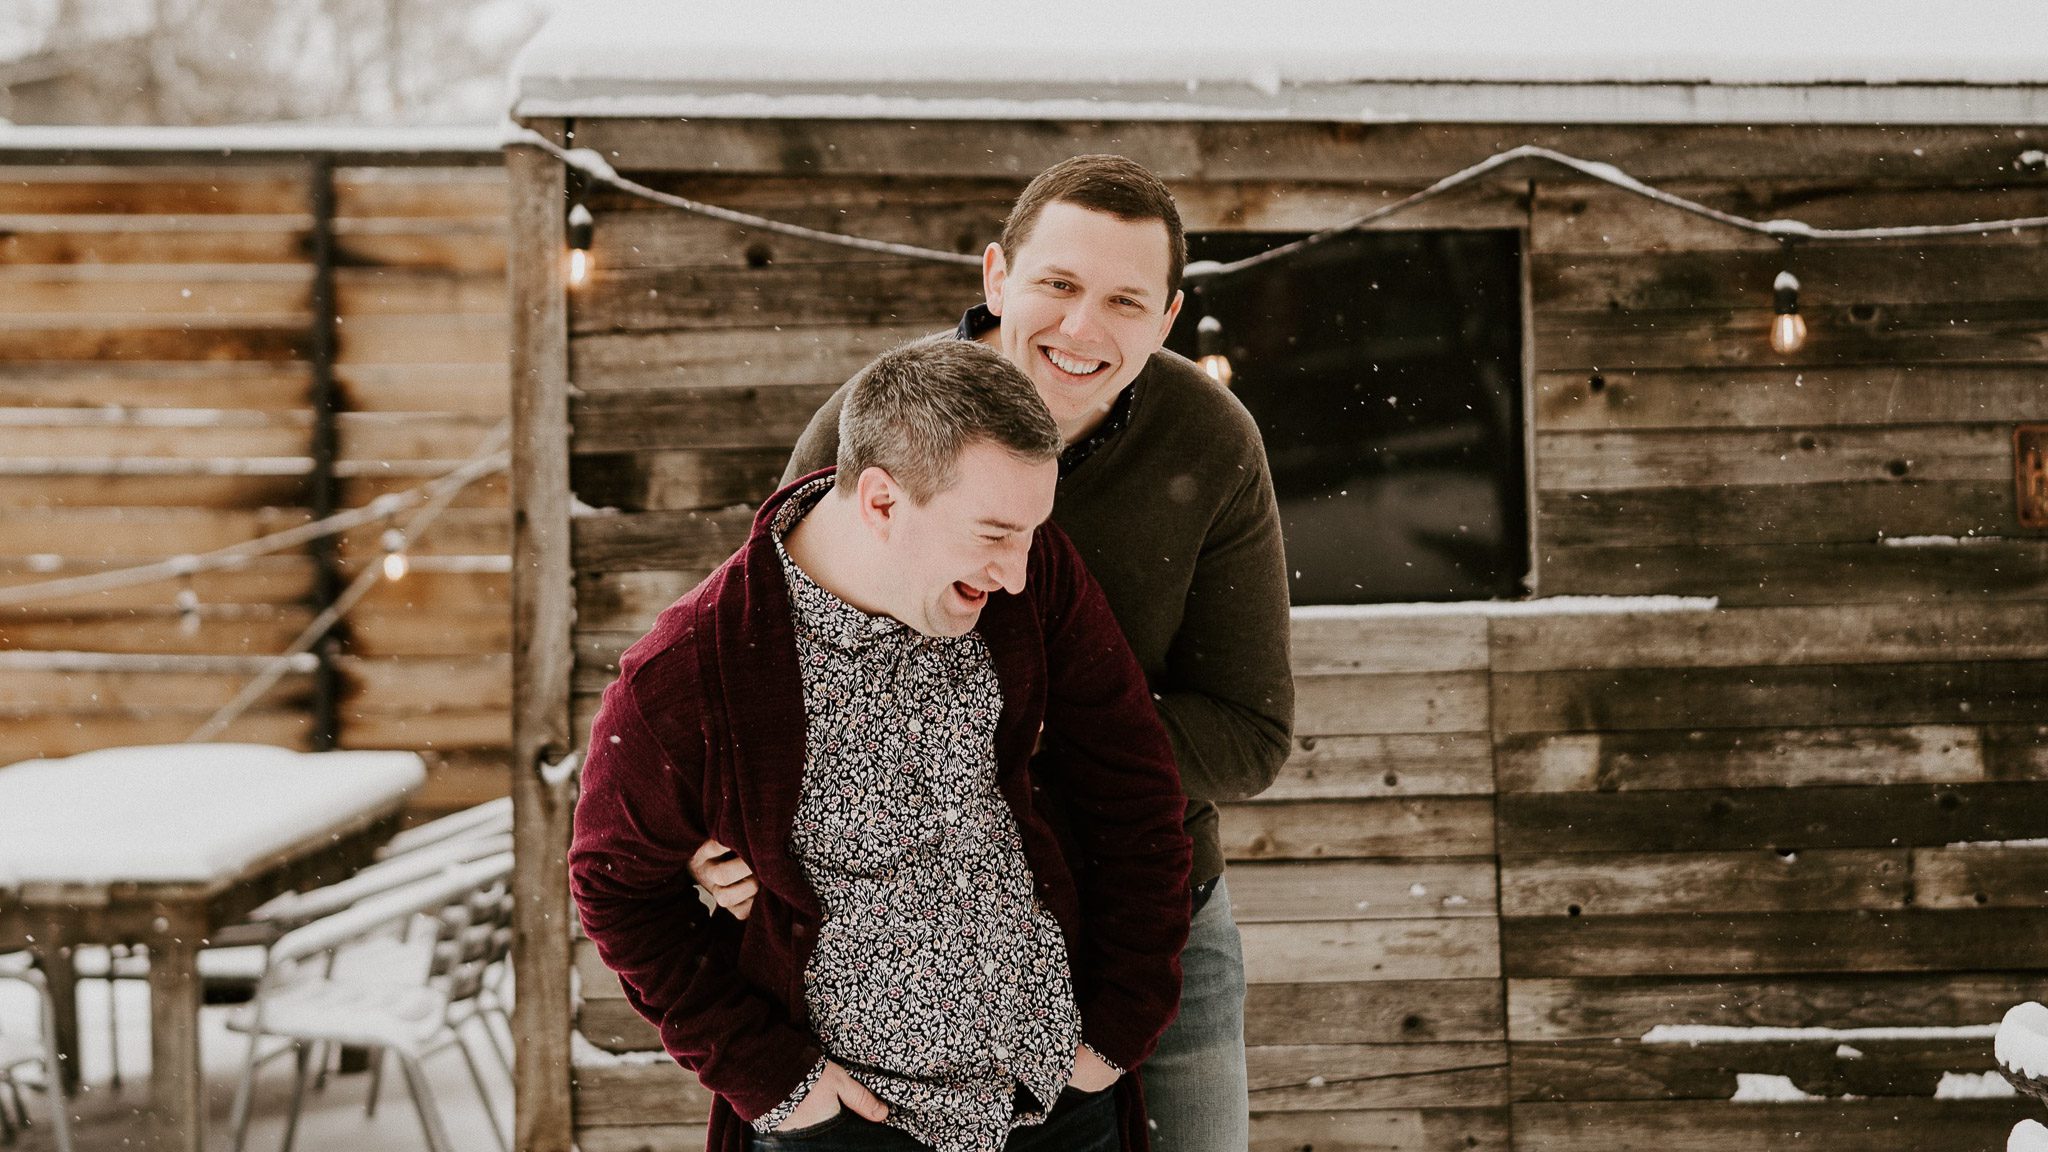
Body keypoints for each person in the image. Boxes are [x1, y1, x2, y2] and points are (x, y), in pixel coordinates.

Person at [692, 154, 1295, 1152]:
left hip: (1143, 923)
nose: (1080, 328)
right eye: (1056, 284)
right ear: (994, 278)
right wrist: (712, 832)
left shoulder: (1208, 442)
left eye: (1122, 300)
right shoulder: (879, 422)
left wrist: (1025, 749)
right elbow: (748, 667)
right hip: (890, 945)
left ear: (1168, 316)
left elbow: (1249, 730)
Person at [570, 338, 1194, 1152]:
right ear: (880, 501)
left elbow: (1135, 789)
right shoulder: (690, 675)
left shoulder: (1029, 581)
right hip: (850, 1134)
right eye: (994, 535)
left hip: (1055, 1107)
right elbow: (613, 888)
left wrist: (1114, 1031)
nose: (1015, 573)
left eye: (1032, 533)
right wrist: (773, 1081)